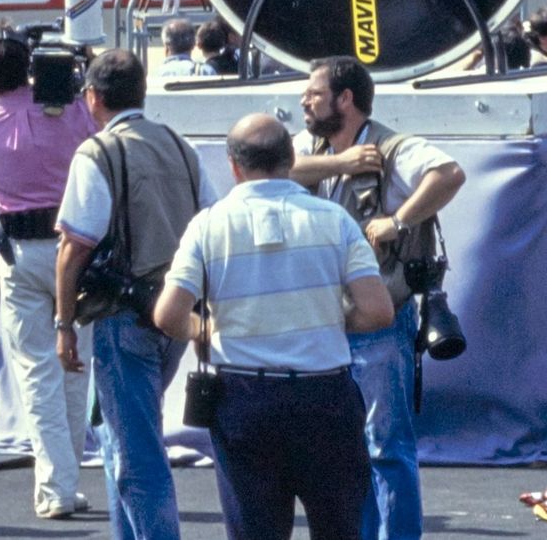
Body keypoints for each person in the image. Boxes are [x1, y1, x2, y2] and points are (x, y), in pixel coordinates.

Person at [153, 114, 393, 540]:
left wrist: (202, 330)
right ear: (290, 159)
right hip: (325, 396)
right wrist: (330, 324)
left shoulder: (209, 224)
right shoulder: (333, 220)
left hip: (245, 397)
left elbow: (168, 316)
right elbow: (378, 311)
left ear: (233, 165)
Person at [294, 57, 467, 540]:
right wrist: (340, 163)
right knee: (342, 454)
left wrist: (398, 222)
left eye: (313, 93)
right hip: (323, 325)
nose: (303, 101)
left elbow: (449, 174)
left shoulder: (393, 148)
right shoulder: (312, 150)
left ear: (345, 99)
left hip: (380, 324)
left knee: (387, 450)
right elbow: (263, 169)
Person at [56, 49, 219, 540]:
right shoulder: (179, 145)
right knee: (118, 441)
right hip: (175, 312)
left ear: (92, 98)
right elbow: (210, 220)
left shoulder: (98, 153)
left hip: (123, 318)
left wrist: (64, 324)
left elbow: (73, 247)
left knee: (136, 454)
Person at [0, 30, 98, 520]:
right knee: (75, 364)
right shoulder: (75, 113)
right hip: (74, 247)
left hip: (18, 251)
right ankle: (65, 478)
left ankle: (56, 484)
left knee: (37, 370)